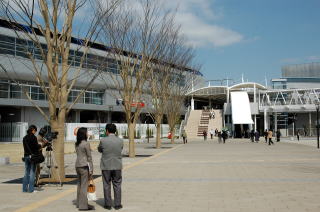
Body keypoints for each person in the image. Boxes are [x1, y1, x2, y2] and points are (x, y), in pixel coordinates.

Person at [98, 124, 124, 210]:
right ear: (115, 131)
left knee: (106, 184)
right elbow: (121, 149)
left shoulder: (103, 140)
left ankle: (108, 204)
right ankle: (117, 204)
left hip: (106, 165)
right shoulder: (120, 140)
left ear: (107, 131)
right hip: (117, 165)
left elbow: (100, 149)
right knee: (117, 184)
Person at [75, 127, 94, 211]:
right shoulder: (86, 144)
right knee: (84, 186)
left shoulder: (77, 143)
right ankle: (83, 206)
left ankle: (79, 203)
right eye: (86, 132)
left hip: (77, 165)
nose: (87, 134)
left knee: (79, 185)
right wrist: (91, 169)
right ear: (84, 134)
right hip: (84, 166)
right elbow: (89, 157)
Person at [22, 125, 40, 193]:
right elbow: (36, 147)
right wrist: (40, 145)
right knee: (32, 173)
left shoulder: (24, 138)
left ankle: (24, 189)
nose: (35, 132)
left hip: (26, 156)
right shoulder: (34, 138)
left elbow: (25, 147)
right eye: (35, 130)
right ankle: (31, 190)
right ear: (33, 130)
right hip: (33, 157)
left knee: (26, 173)